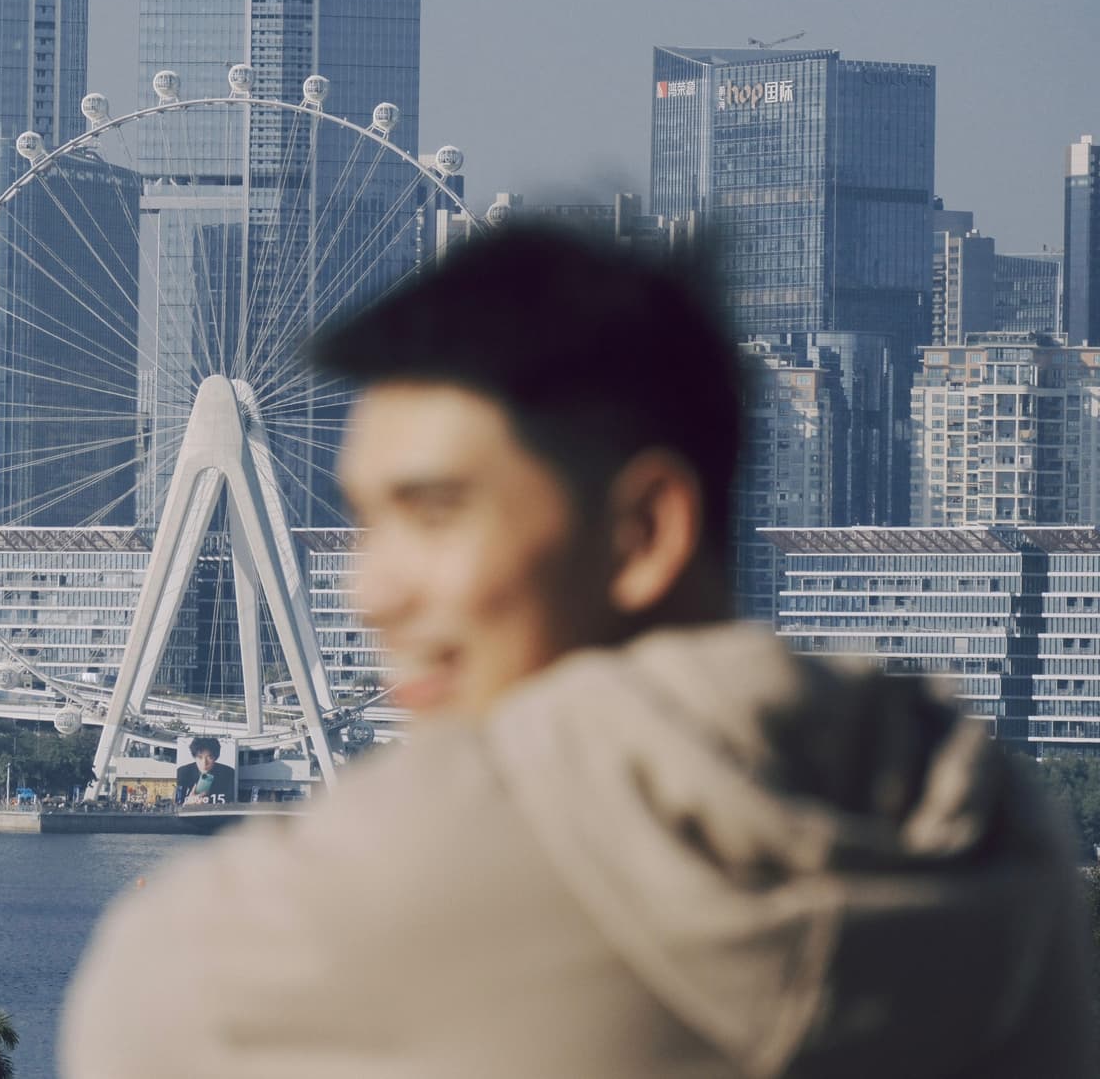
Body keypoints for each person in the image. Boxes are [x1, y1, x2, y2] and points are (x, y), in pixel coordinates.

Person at [61, 227, 1096, 1077]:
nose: (368, 590)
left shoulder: (244, 953)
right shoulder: (998, 846)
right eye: (364, 524)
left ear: (643, 530)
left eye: (432, 514)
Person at [175, 736, 237, 807]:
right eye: (200, 757)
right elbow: (176, 807)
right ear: (194, 757)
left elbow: (232, 805)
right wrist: (187, 804)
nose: (204, 763)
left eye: (209, 757)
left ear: (215, 757)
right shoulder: (182, 773)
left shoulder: (229, 773)